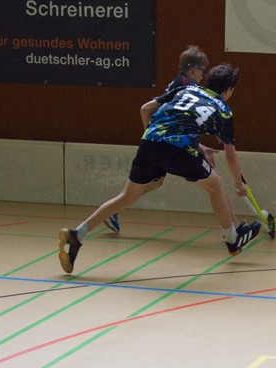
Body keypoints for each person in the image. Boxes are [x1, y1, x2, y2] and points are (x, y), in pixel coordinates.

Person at [58, 63, 261, 274]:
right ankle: (233, 240)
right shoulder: (223, 110)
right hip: (178, 149)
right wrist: (239, 183)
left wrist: (161, 142)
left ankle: (77, 235)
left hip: (149, 143)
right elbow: (231, 155)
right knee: (216, 184)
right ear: (228, 90)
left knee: (127, 196)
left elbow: (146, 109)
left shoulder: (186, 89)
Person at [104, 44, 211, 234]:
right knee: (145, 185)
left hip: (162, 140)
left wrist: (199, 145)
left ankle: (113, 210)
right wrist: (151, 136)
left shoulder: (179, 81)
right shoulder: (187, 86)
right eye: (202, 71)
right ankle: (112, 211)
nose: (203, 76)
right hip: (162, 142)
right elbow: (146, 109)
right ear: (194, 69)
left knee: (156, 182)